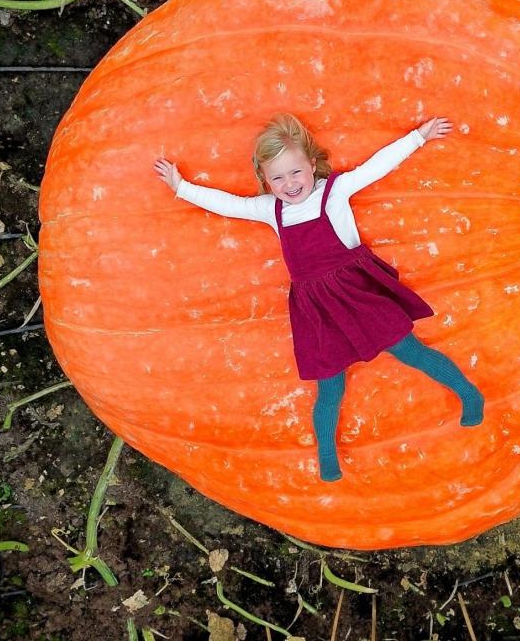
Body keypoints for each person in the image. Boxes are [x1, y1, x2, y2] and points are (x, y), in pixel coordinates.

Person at [153, 113, 485, 481]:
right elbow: (229, 204)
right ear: (265, 180)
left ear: (312, 164)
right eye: (277, 177)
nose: (289, 184)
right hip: (317, 308)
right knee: (330, 384)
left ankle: (469, 395)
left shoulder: (334, 191)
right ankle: (327, 454)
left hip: (356, 293)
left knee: (410, 350)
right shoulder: (270, 210)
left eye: (295, 172)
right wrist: (181, 187)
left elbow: (375, 167)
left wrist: (418, 138)